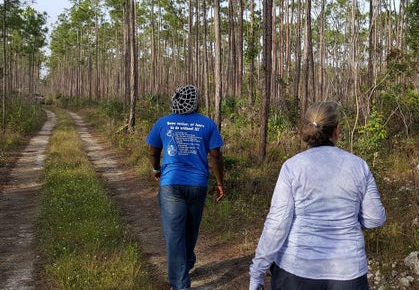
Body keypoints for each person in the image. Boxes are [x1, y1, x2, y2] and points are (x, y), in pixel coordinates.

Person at [249, 101, 386, 290]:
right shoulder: (358, 166)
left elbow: (277, 224)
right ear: (337, 131)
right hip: (348, 272)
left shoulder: (292, 166)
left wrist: (257, 272)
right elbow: (375, 219)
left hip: (295, 271)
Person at [146, 85, 225, 290]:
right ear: (196, 102)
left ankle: (183, 267)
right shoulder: (207, 124)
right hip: (198, 184)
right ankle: (182, 281)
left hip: (170, 184)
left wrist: (156, 169)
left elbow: (154, 151)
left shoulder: (163, 123)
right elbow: (215, 156)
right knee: (190, 229)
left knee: (174, 235)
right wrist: (219, 182)